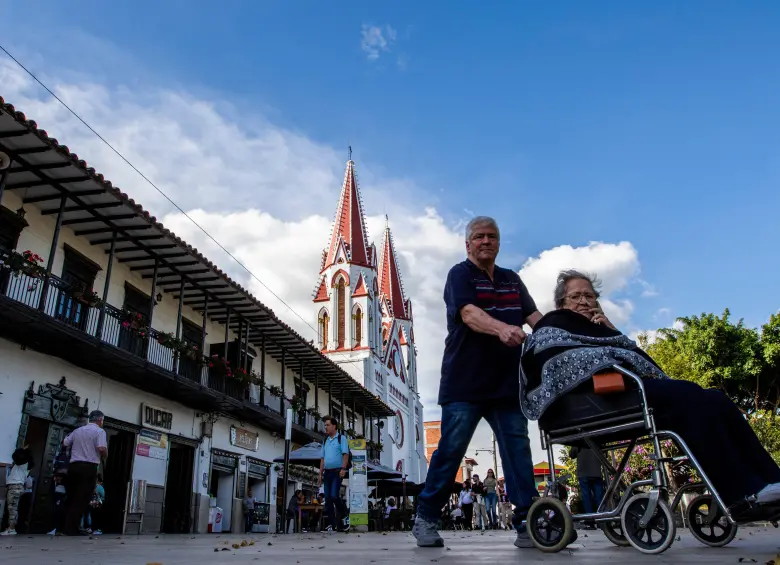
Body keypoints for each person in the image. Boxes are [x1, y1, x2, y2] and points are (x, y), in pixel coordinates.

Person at [520, 269, 780, 514]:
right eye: (576, 296)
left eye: (590, 295)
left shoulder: (602, 329)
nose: (584, 301)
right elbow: (559, 367)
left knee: (715, 399)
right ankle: (740, 494)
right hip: (596, 400)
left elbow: (648, 366)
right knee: (688, 394)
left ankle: (770, 483)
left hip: (632, 393)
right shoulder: (552, 325)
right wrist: (606, 357)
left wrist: (612, 331)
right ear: (561, 303)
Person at [413, 216, 543, 549]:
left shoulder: (512, 280)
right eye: (479, 236)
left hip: (506, 385)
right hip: (464, 384)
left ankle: (528, 522)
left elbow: (535, 318)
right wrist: (502, 329)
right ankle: (426, 516)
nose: (486, 241)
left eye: (493, 237)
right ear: (468, 243)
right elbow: (469, 314)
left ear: (499, 243)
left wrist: (562, 333)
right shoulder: (460, 274)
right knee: (451, 450)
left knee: (518, 451)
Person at [62, 410, 107, 536]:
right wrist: (105, 456)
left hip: (74, 466)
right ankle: (74, 528)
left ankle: (65, 527)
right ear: (100, 419)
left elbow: (65, 443)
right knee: (83, 497)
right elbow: (101, 448)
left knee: (71, 495)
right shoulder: (100, 431)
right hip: (88, 467)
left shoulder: (78, 430)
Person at [317, 416, 350, 533]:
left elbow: (345, 455)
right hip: (327, 472)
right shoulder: (325, 440)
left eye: (327, 425)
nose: (325, 427)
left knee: (334, 496)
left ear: (334, 426)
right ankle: (332, 524)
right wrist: (320, 474)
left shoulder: (342, 439)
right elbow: (322, 458)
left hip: (337, 471)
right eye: (325, 425)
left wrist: (343, 468)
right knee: (328, 499)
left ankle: (345, 516)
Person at [1, 445, 34, 536]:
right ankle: (11, 527)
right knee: (13, 508)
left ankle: (11, 528)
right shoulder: (26, 464)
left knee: (12, 508)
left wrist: (21, 449)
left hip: (15, 486)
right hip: (18, 486)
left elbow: (15, 456)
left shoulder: (23, 462)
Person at [570, 446, 603, 528]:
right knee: (599, 497)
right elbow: (604, 453)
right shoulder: (595, 435)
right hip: (596, 471)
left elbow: (572, 454)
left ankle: (590, 521)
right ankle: (602, 520)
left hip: (583, 472)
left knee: (586, 497)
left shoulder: (579, 438)